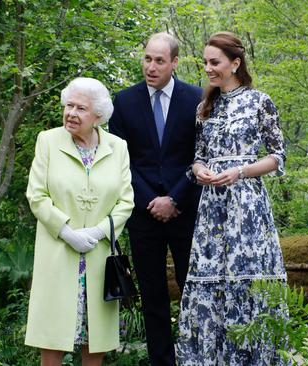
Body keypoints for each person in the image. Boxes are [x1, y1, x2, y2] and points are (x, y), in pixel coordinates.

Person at [176, 32, 288, 365]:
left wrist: (240, 172)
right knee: (210, 282)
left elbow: (278, 157)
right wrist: (199, 170)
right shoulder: (204, 107)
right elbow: (198, 156)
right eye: (206, 62)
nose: (208, 68)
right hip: (212, 209)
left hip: (247, 207)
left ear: (235, 63)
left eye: (215, 62)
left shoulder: (259, 101)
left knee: (246, 281)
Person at [25, 77, 134, 366]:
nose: (71, 113)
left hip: (98, 256)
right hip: (58, 253)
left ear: (98, 115)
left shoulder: (118, 147)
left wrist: (99, 231)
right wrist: (67, 232)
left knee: (94, 341)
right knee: (52, 338)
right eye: (69, 105)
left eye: (80, 108)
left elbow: (126, 201)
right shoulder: (48, 140)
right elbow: (36, 195)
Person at [109, 32, 202, 366]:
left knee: (194, 291)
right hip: (143, 215)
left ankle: (196, 357)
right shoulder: (124, 101)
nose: (151, 66)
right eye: (147, 58)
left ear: (174, 62)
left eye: (159, 60)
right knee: (153, 297)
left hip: (186, 211)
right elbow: (120, 160)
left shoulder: (199, 99)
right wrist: (153, 200)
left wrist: (174, 197)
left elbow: (202, 155)